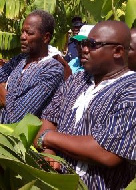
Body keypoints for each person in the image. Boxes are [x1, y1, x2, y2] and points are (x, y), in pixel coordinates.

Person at [34, 20, 136, 189]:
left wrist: (47, 138)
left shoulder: (130, 90)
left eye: (92, 45)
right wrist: (49, 152)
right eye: (83, 43)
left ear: (117, 51)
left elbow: (106, 152)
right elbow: (49, 117)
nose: (84, 49)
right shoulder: (76, 80)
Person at [0, 10, 65, 124]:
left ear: (46, 37)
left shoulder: (53, 69)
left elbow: (19, 115)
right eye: (22, 32)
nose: (22, 37)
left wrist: (1, 90)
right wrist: (8, 100)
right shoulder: (20, 60)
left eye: (29, 33)